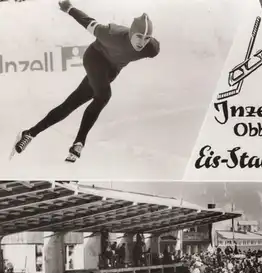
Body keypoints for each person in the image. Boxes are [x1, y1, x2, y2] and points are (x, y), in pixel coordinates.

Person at [13, 0, 160, 162]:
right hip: (94, 58)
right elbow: (88, 22)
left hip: (110, 71)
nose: (142, 42)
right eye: (139, 36)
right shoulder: (111, 34)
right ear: (131, 33)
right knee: (104, 95)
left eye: (147, 38)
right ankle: (79, 142)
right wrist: (69, 8)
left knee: (70, 105)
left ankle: (29, 133)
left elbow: (153, 45)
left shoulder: (151, 48)